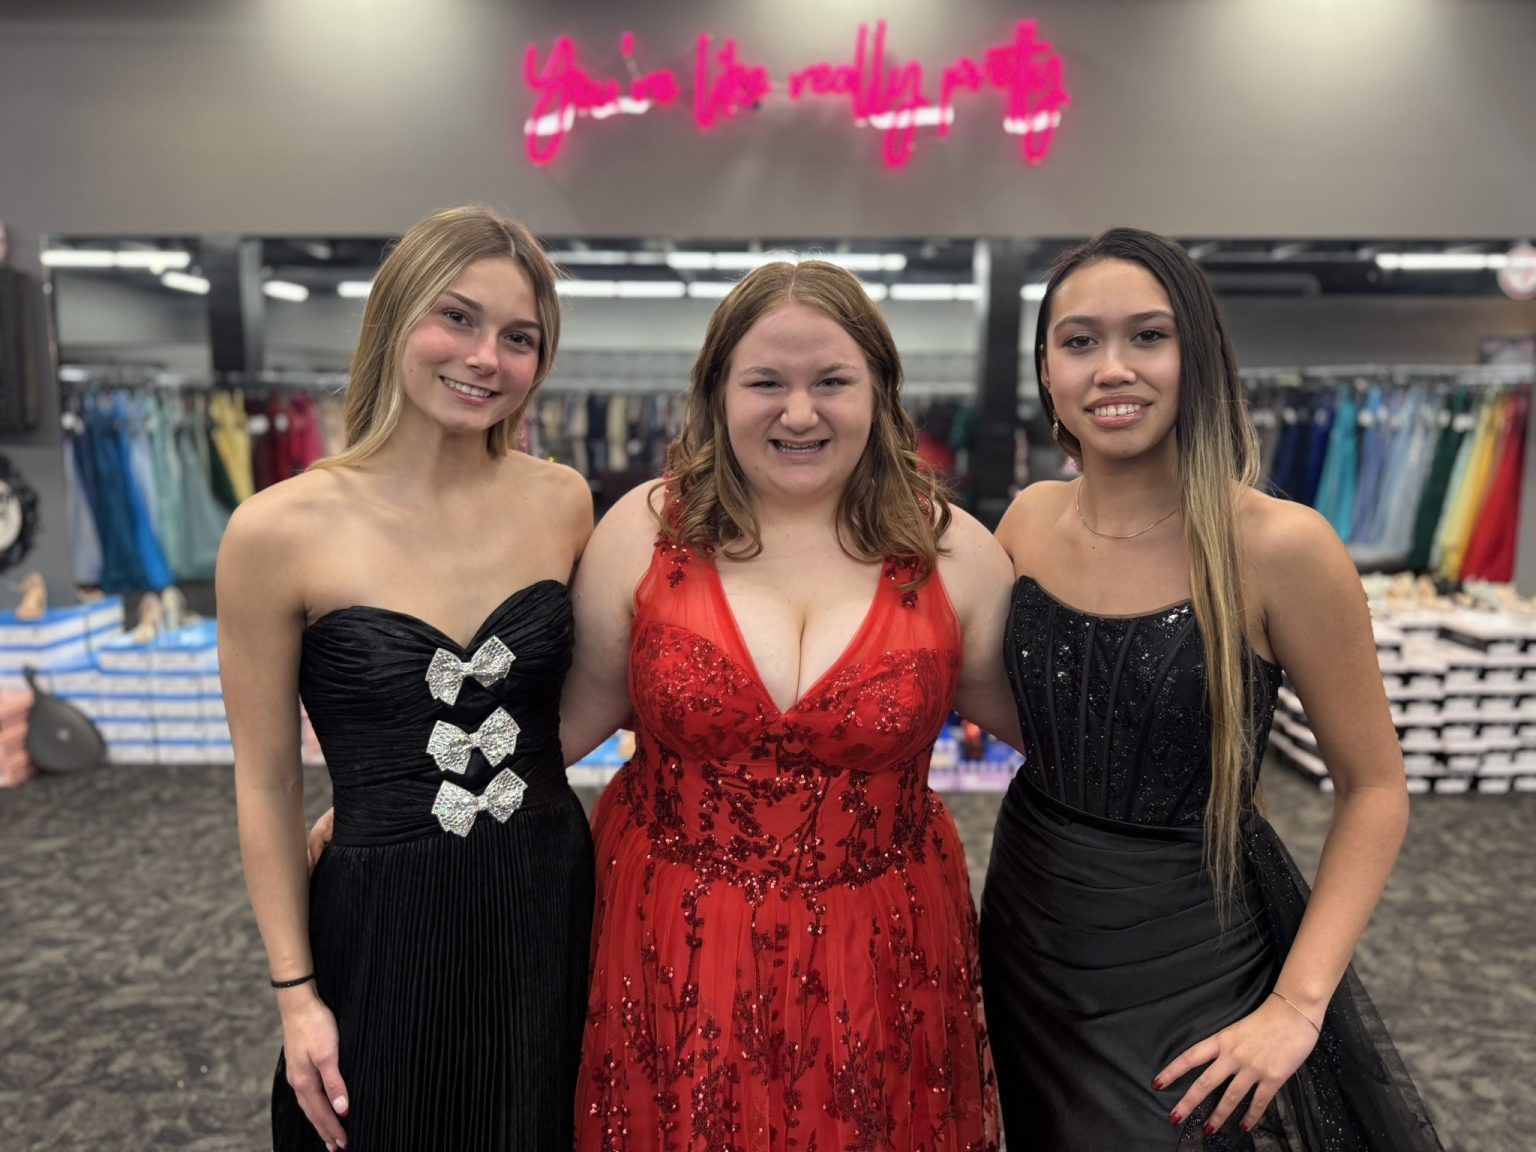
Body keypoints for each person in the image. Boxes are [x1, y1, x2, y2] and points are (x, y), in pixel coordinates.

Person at [979, 228, 1443, 1149]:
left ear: (1199, 354)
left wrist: (1298, 1007)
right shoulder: (1027, 521)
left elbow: (1376, 790)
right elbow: (1027, 707)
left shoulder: (1279, 546)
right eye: (1080, 342)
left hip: (1193, 944)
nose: (1113, 368)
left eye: (1148, 337)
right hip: (1032, 924)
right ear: (1045, 370)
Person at [557, 259, 1017, 1151]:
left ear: (879, 392)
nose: (799, 413)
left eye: (832, 382)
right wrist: (404, 798)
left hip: (885, 938)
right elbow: (567, 723)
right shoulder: (642, 532)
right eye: (765, 381)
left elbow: (1043, 733)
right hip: (669, 930)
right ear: (716, 392)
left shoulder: (956, 553)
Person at [221, 206, 596, 1152]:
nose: (485, 358)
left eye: (520, 338)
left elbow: (583, 695)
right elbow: (264, 782)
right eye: (457, 318)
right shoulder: (278, 530)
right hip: (380, 921)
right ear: (394, 319)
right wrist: (295, 996)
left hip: (541, 897)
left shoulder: (562, 502)